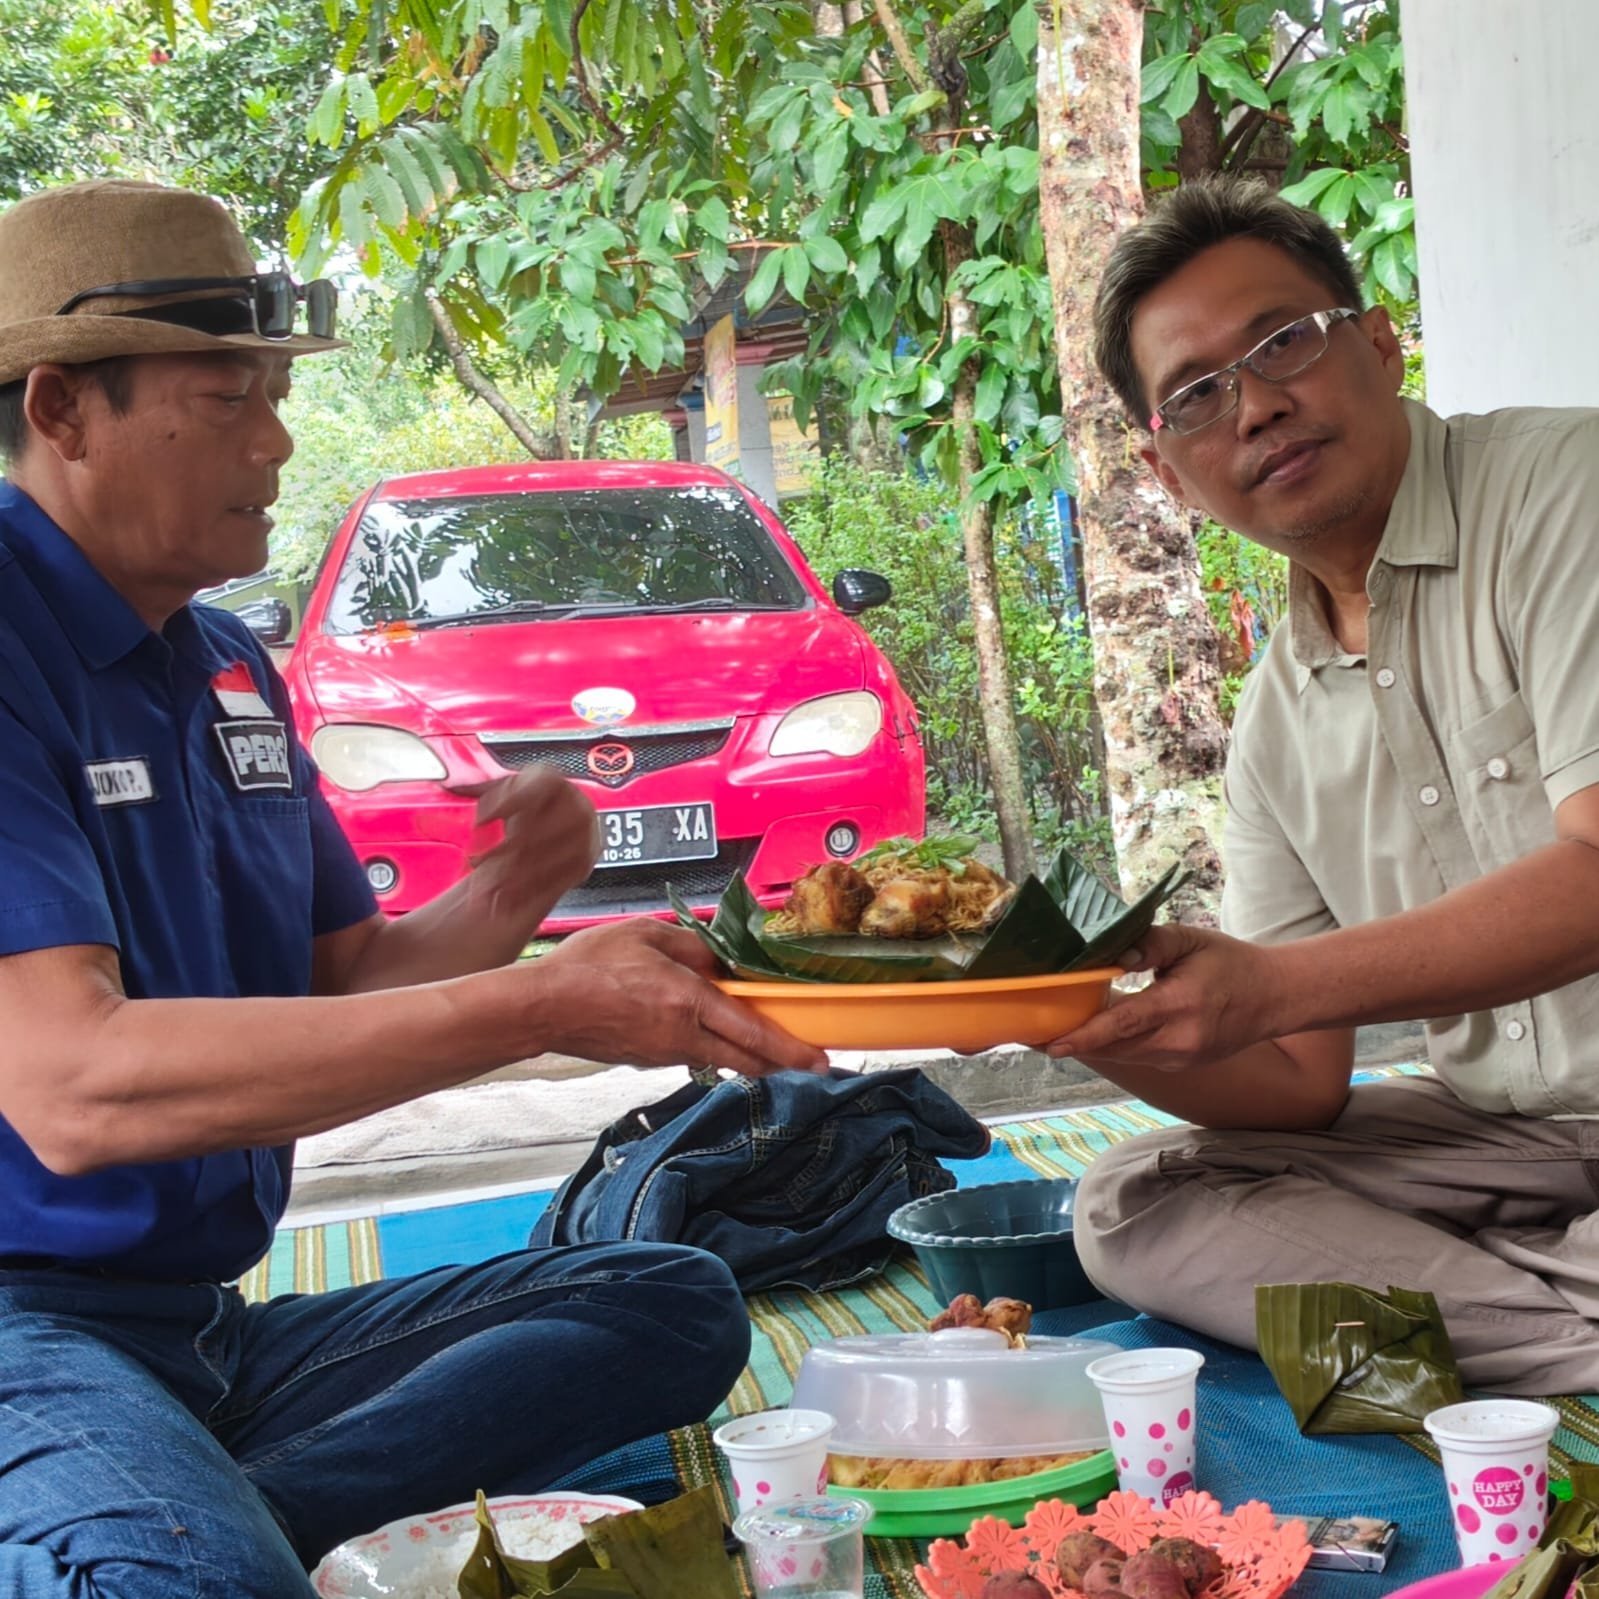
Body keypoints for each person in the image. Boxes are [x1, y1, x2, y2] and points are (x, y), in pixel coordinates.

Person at [0, 178, 828, 1597]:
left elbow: (345, 979)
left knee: (669, 1300)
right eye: (229, 398)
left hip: (202, 1333)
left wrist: (515, 895)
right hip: (24, 1331)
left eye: (276, 395)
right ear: (63, 409)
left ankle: (209, 1509)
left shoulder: (223, 665)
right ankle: (169, 1530)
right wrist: (541, 1007)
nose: (277, 440)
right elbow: (74, 1089)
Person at [1048, 175, 1599, 1397]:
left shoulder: (1570, 488)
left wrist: (1277, 984)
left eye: (1283, 342)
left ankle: (1487, 1316)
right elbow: (1295, 1085)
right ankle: (1556, 1304)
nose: (1256, 405)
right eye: (1199, 394)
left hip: (1517, 1169)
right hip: (1510, 1142)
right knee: (1135, 1203)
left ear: (1380, 343)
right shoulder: (1275, 722)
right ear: (1171, 471)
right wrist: (1049, 1011)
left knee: (1278, 1266)